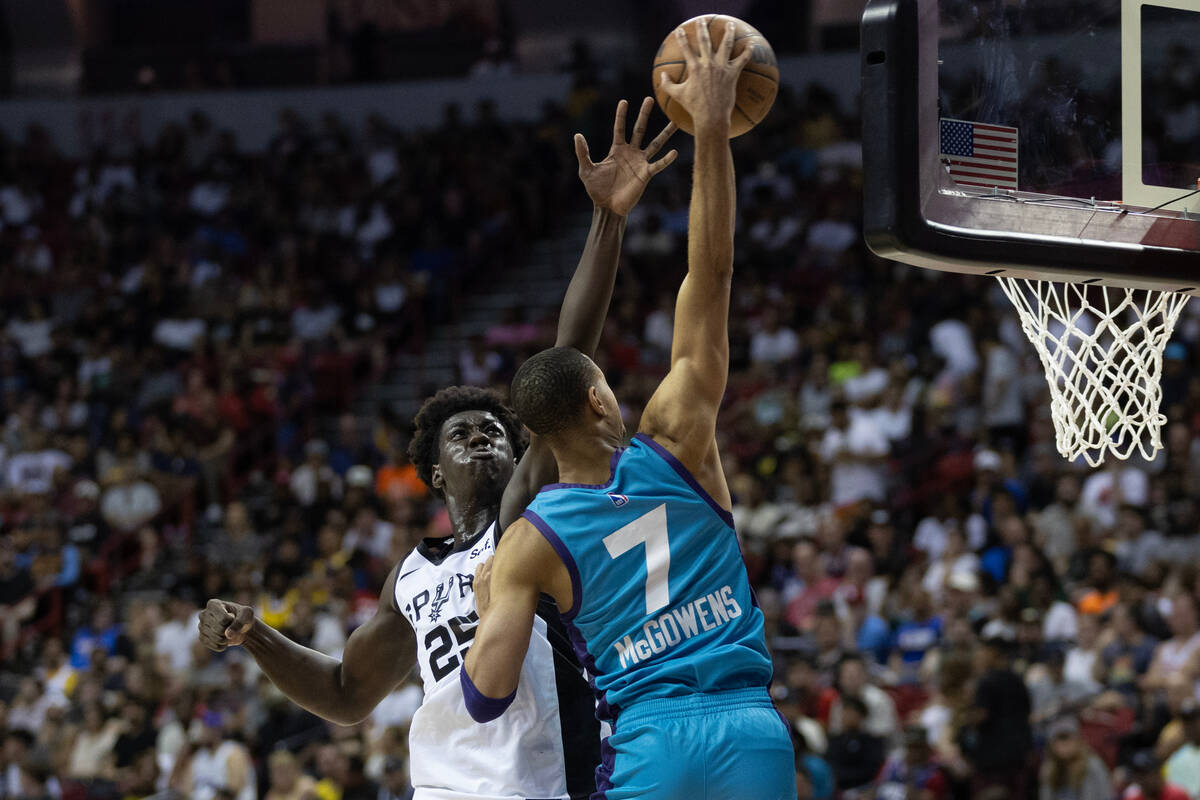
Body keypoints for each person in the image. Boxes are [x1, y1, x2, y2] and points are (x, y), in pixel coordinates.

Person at [197, 97, 679, 800]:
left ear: (525, 458)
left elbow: (568, 354)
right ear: (432, 473)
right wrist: (254, 636)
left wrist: (608, 217)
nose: (483, 434)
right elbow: (343, 692)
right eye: (463, 433)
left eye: (498, 430)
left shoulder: (527, 521)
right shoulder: (410, 579)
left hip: (542, 784)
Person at [461, 23, 794, 799]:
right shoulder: (678, 438)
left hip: (652, 737)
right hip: (751, 730)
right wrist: (711, 130)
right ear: (600, 397)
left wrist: (492, 602)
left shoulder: (531, 542)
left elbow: (486, 697)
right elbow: (710, 274)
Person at [1037, 715, 1112, 800]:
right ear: (1051, 745)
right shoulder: (1049, 769)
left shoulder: (1092, 765)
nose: (1064, 743)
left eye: (1067, 737)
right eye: (1059, 738)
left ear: (1078, 740)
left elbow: (1106, 796)